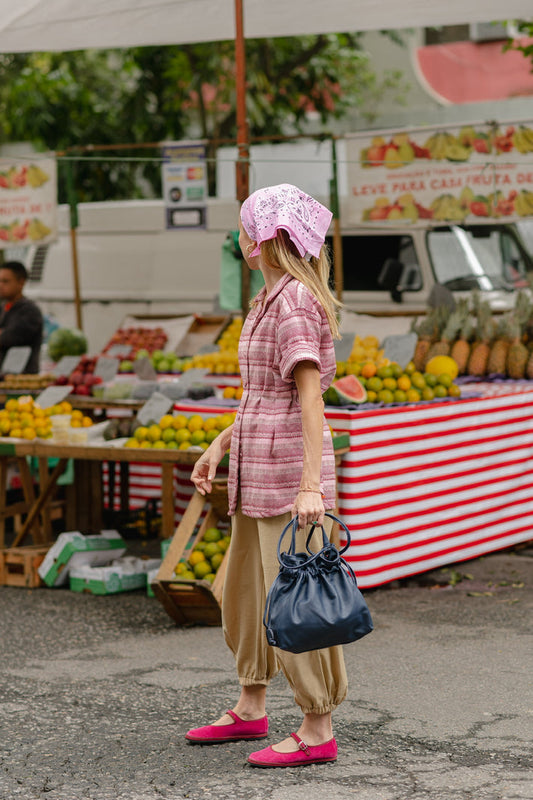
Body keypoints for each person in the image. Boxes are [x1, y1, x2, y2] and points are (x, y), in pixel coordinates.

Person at [188, 183, 347, 768]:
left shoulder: (295, 304)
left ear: (264, 237)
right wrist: (219, 444)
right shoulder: (266, 300)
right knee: (246, 596)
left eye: (243, 224)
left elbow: (310, 401)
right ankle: (251, 704)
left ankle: (316, 726)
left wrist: (311, 485)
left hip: (289, 478)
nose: (238, 234)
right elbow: (262, 396)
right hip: (254, 470)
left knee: (298, 601)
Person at [0, 260, 43, 374]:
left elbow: (8, 338)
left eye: (5, 281)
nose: (1, 285)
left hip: (22, 379)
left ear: (21, 282)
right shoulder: (3, 307)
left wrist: (4, 334)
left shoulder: (30, 310)